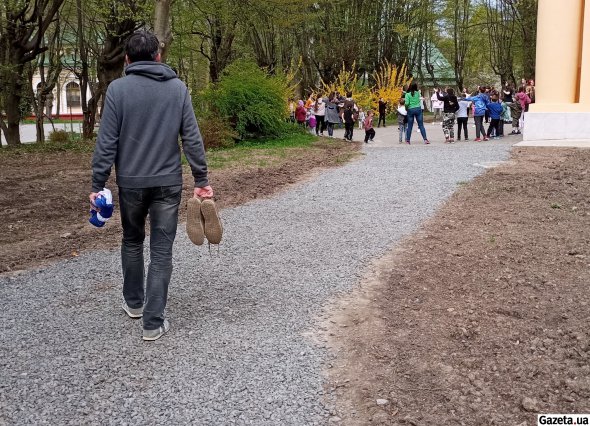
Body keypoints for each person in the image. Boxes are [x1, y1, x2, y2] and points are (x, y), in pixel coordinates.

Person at [90, 31, 214, 341]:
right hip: (167, 184)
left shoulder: (117, 90)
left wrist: (98, 182)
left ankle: (134, 304)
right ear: (158, 56)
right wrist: (202, 180)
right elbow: (192, 137)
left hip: (130, 183)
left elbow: (107, 141)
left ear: (127, 59)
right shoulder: (177, 88)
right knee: (161, 251)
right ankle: (153, 322)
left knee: (132, 241)